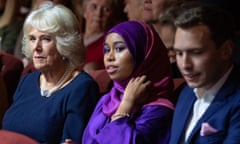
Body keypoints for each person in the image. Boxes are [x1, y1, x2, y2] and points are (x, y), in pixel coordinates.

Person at [2, 2, 99, 144]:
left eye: (45, 39)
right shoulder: (27, 81)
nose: (36, 47)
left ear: (65, 43)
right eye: (32, 39)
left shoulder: (81, 88)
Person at [82, 21, 175, 144]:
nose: (109, 57)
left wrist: (126, 105)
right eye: (106, 49)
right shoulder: (107, 100)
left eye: (119, 48)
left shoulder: (158, 110)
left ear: (142, 53)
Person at [169, 2, 240, 144]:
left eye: (196, 53)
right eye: (179, 53)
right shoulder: (186, 93)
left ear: (226, 50)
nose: (185, 65)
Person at [82, 0, 127, 73]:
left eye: (106, 9)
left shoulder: (111, 44)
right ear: (84, 11)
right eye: (94, 7)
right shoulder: (72, 37)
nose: (98, 14)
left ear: (113, 16)